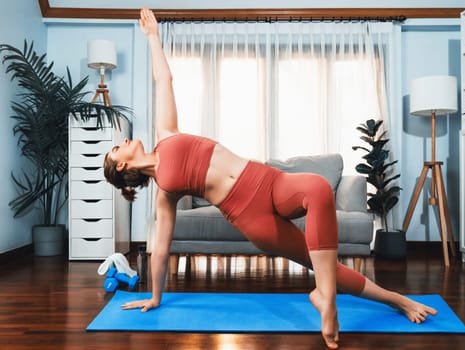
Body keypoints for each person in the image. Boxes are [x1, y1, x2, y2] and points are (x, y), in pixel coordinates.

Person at [104, 7, 437, 349]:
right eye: (117, 149)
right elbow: (160, 249)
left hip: (268, 182)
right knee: (320, 263)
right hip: (252, 218)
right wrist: (155, 297)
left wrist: (153, 37)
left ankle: (326, 297)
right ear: (123, 169)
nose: (124, 142)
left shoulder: (167, 134)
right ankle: (395, 299)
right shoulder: (165, 192)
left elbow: (164, 80)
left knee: (318, 188)